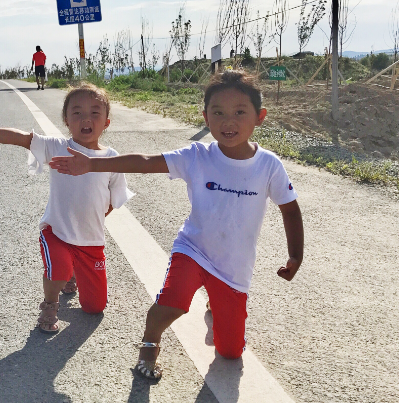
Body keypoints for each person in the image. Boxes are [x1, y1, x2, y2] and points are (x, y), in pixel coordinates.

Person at [49, 72, 304, 380]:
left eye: (240, 112)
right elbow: (145, 161)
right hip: (193, 250)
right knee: (173, 303)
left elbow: (289, 210)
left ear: (259, 117)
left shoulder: (269, 166)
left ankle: (215, 312)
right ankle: (149, 346)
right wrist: (92, 164)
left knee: (230, 351)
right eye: (218, 113)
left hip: (234, 266)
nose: (228, 121)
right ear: (205, 118)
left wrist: (295, 255)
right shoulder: (196, 156)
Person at [0, 82, 133, 333]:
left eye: (94, 113)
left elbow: (113, 199)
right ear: (66, 120)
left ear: (106, 122)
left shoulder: (112, 158)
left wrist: (97, 217)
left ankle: (73, 273)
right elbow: (20, 138)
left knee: (95, 308)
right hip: (57, 232)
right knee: (58, 267)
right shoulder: (56, 146)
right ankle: (50, 305)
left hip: (91, 243)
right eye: (76, 112)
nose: (85, 119)